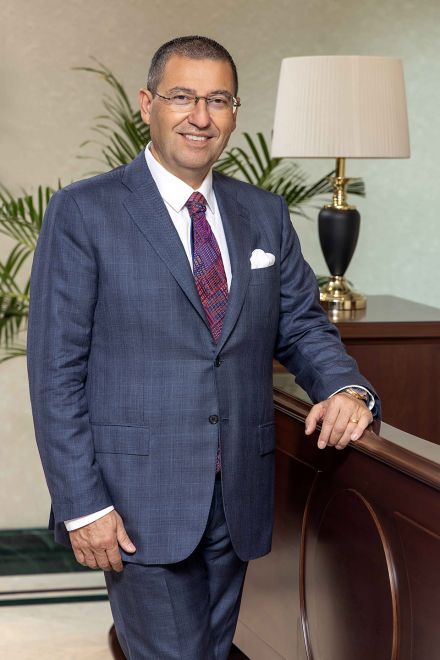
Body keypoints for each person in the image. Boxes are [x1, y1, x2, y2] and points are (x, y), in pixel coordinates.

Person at [27, 35, 378, 660]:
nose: (201, 116)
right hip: (135, 501)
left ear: (235, 113)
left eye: (219, 100)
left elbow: (301, 324)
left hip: (238, 494)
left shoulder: (263, 214)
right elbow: (56, 372)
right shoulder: (83, 212)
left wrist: (346, 388)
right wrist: (83, 505)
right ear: (148, 104)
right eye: (182, 97)